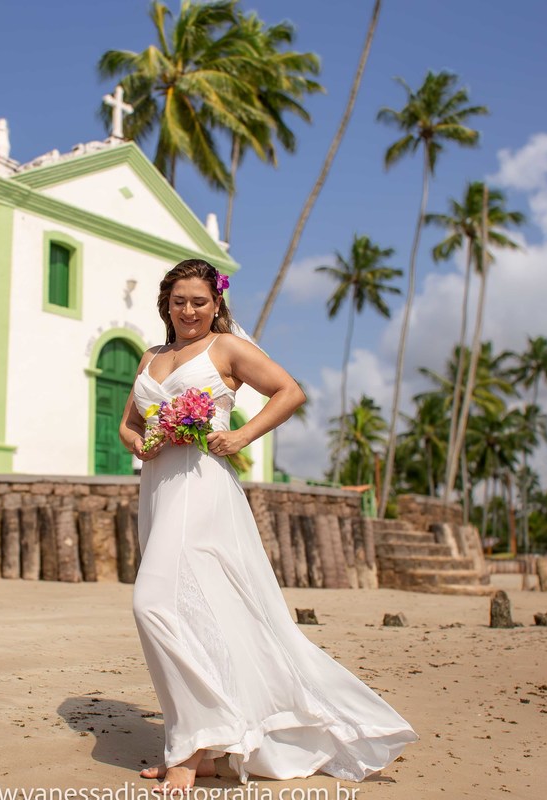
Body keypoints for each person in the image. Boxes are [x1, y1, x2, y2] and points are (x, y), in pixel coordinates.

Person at [118, 259, 419, 794]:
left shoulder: (227, 348)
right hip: (159, 489)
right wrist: (138, 442)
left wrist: (240, 436)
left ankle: (191, 747)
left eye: (199, 301)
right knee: (191, 609)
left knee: (152, 604)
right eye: (179, 301)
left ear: (216, 303)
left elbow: (289, 391)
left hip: (202, 486)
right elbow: (129, 422)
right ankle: (203, 747)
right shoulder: (151, 356)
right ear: (166, 303)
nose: (189, 311)